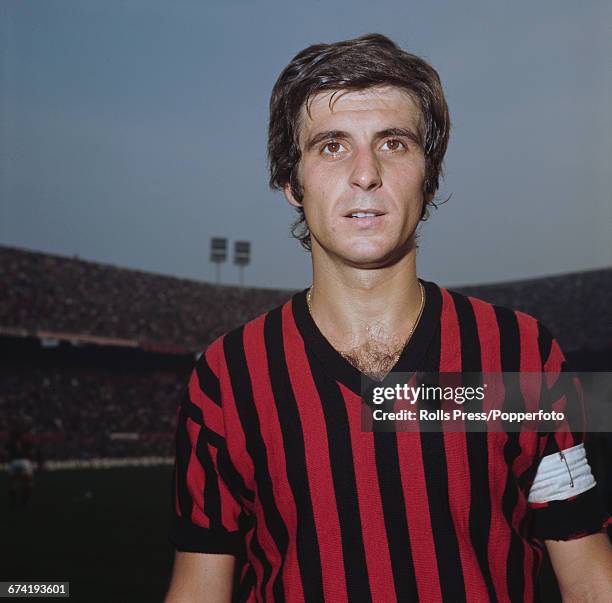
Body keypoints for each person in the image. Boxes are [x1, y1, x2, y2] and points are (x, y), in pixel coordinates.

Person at [165, 33, 612, 602]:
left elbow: (590, 579)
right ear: (291, 183)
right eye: (331, 146)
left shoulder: (521, 353)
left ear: (430, 177)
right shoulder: (228, 377)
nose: (365, 173)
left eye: (394, 143)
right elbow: (199, 587)